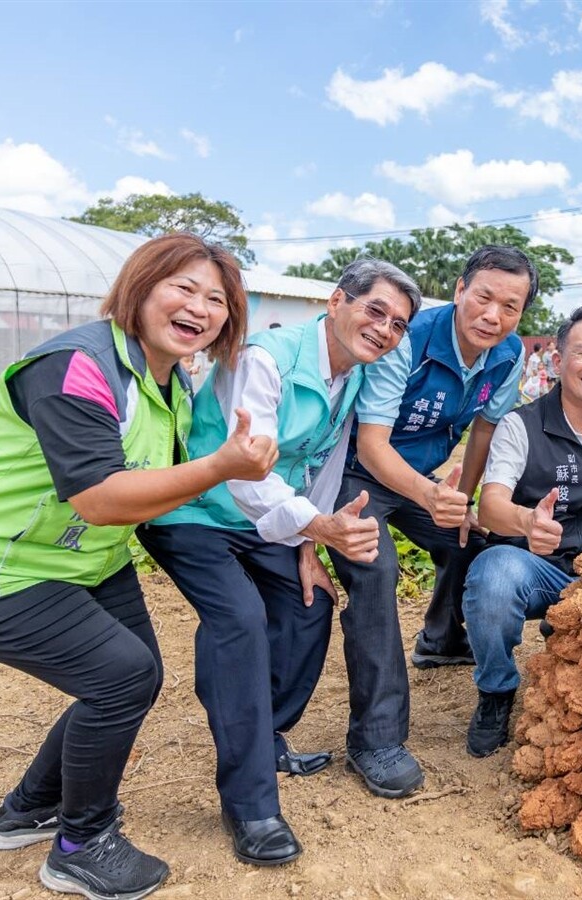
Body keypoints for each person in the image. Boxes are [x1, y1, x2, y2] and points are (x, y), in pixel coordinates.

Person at [0, 234, 277, 900]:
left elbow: (163, 487)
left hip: (80, 559)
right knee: (122, 675)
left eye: (217, 300)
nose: (198, 308)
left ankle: (30, 807)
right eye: (183, 287)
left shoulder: (173, 384)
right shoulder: (77, 365)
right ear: (140, 285)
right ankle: (81, 844)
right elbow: (101, 497)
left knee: (133, 673)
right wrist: (222, 465)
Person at [136, 259, 420, 865]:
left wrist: (310, 548)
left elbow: (319, 468)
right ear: (338, 300)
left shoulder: (353, 378)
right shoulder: (266, 358)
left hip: (267, 522)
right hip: (198, 511)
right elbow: (246, 476)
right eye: (375, 311)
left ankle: (264, 736)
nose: (384, 330)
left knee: (307, 609)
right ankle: (251, 805)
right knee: (239, 623)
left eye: (397, 325)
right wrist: (318, 527)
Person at [335, 247, 534, 794]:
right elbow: (373, 445)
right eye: (484, 297)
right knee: (374, 569)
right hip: (357, 473)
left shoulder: (508, 355)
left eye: (510, 306)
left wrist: (462, 499)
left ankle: (441, 639)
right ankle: (375, 738)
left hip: (422, 479)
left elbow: (485, 433)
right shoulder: (412, 338)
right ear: (460, 287)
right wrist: (431, 493)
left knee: (473, 540)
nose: (493, 315)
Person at [460, 307, 582, 757]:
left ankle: (567, 640)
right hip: (537, 566)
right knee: (494, 574)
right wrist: (527, 522)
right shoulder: (520, 425)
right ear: (558, 360)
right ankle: (497, 690)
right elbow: (491, 506)